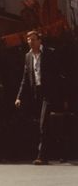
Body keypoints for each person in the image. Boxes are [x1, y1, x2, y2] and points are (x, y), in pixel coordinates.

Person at [15, 29, 66, 164]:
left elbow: (59, 75)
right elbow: (25, 78)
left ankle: (42, 156)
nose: (30, 42)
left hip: (49, 94)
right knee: (44, 126)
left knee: (43, 125)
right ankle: (61, 151)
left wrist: (61, 94)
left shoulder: (50, 53)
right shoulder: (28, 56)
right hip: (36, 93)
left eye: (33, 39)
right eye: (29, 40)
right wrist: (19, 97)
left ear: (39, 40)